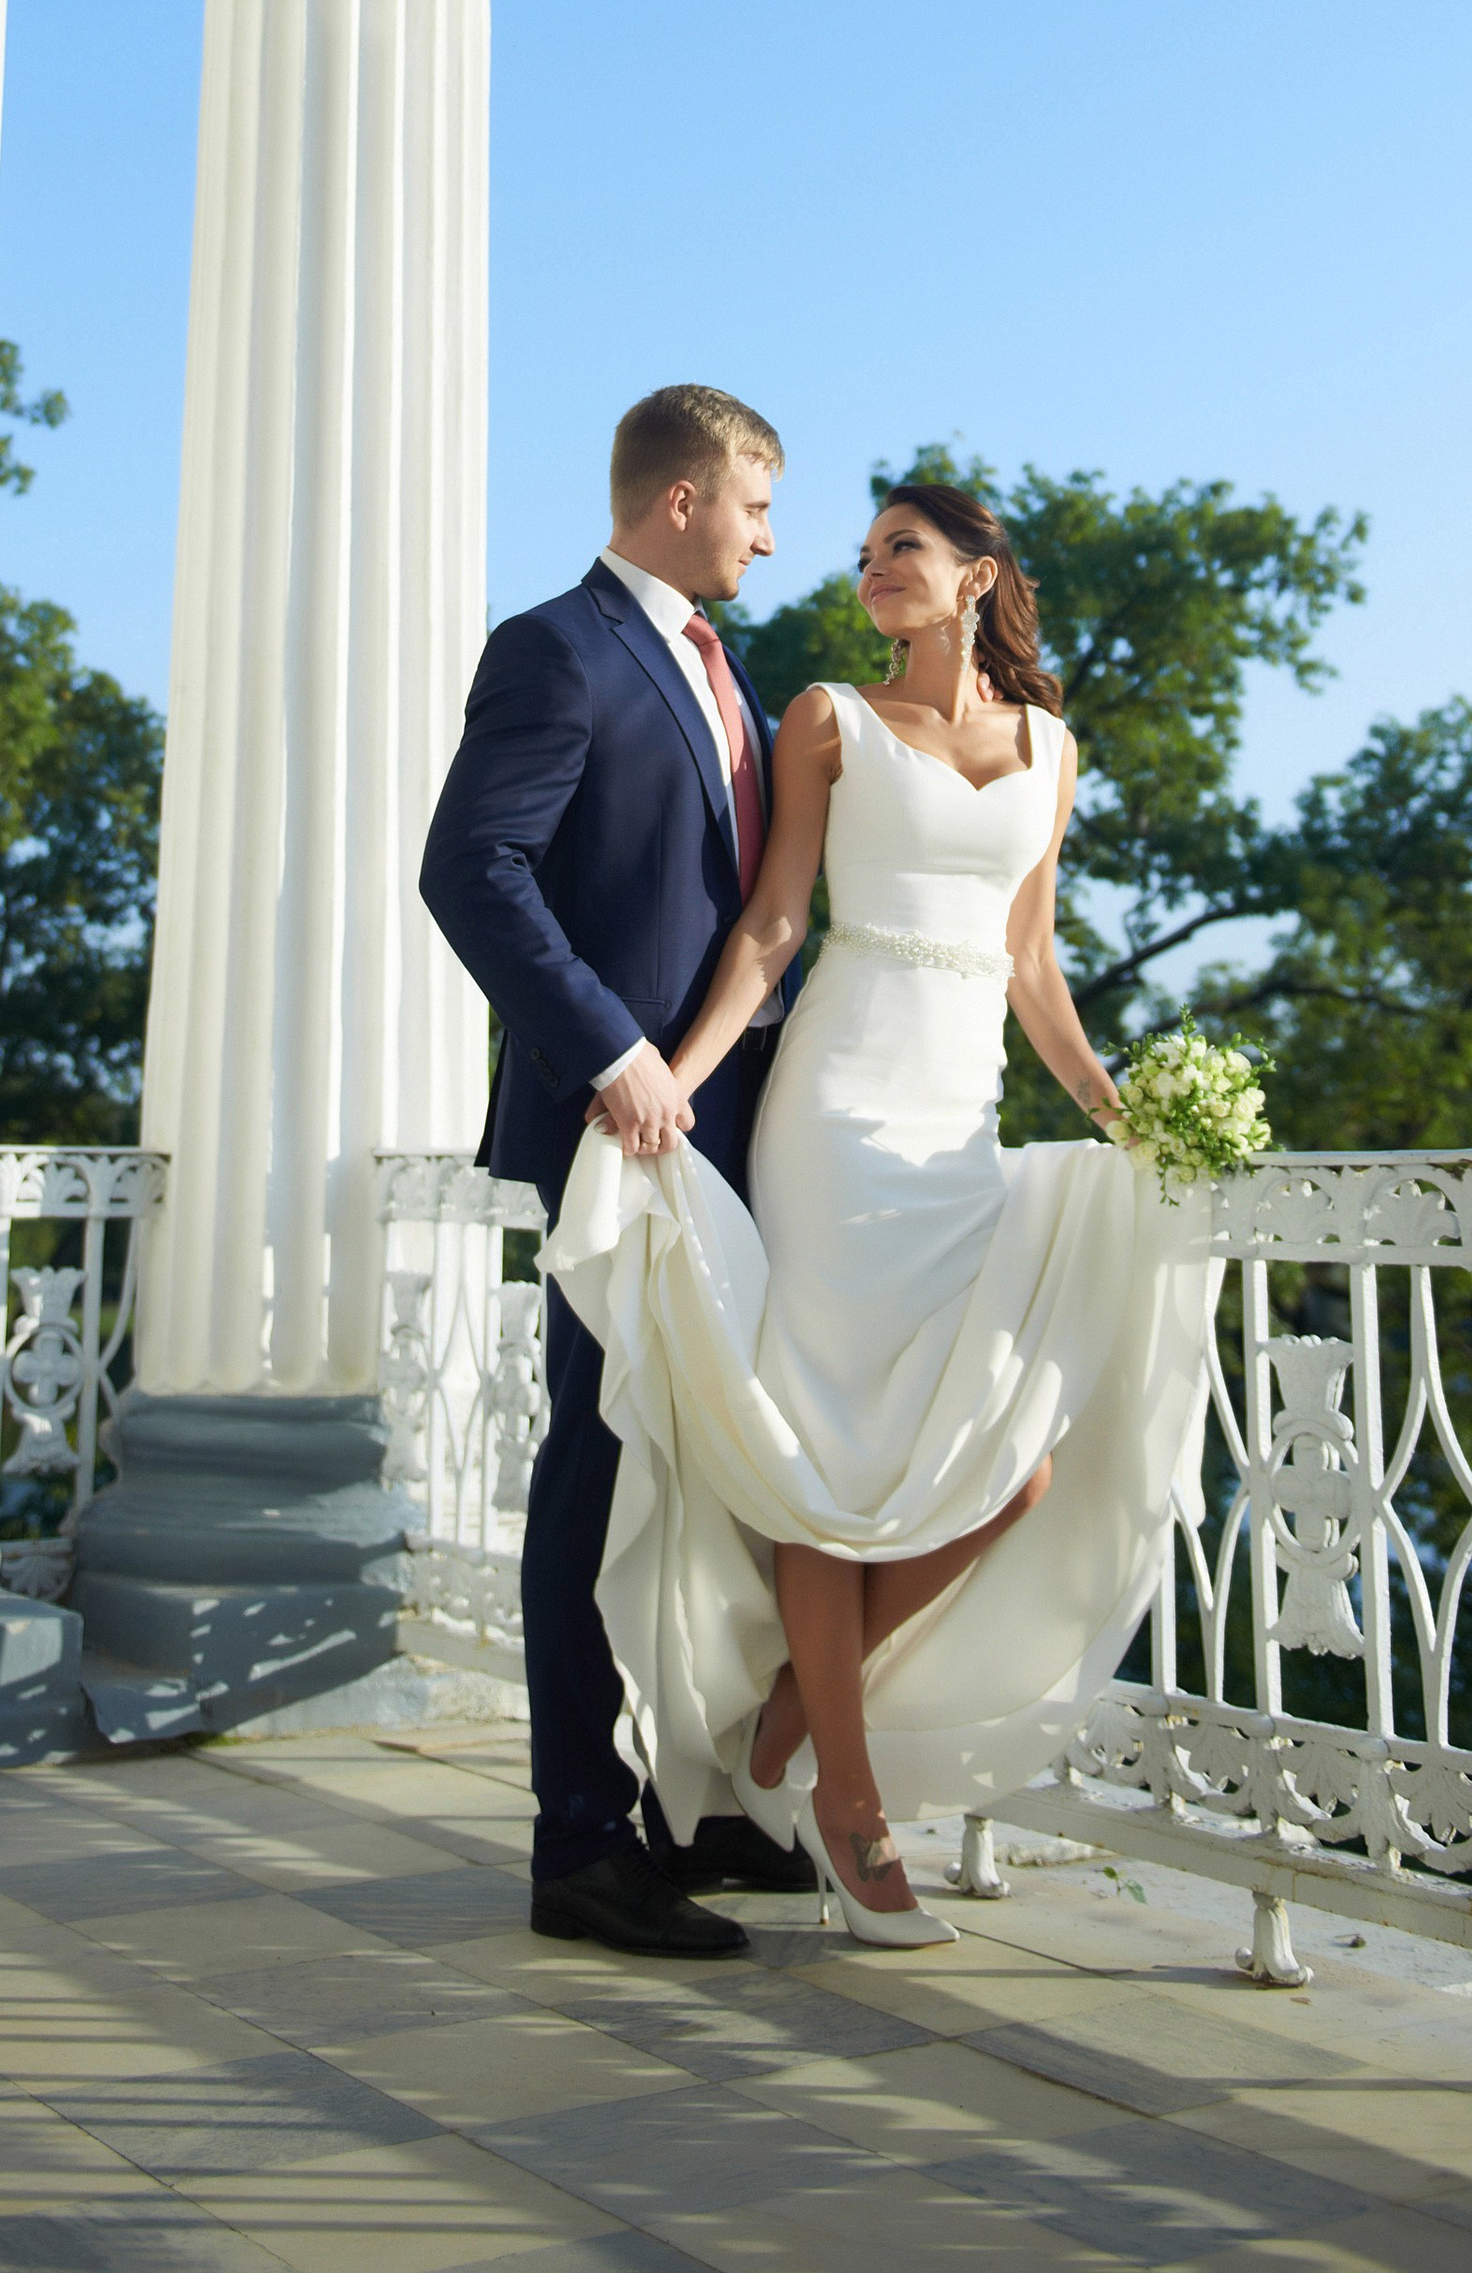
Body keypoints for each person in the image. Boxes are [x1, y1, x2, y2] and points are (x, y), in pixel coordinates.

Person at [544, 478, 1220, 1946]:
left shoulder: (1051, 747)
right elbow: (775, 924)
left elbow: (1032, 962)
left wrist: (1124, 1114)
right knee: (831, 1460)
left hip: (958, 1129)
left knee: (1007, 1468)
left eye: (900, 549)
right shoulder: (829, 719)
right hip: (837, 1116)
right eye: (861, 557)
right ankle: (851, 1815)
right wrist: (671, 1084)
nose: (869, 572)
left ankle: (797, 1707)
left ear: (978, 575)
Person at [419, 383, 815, 1958]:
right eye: (757, 508)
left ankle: (700, 1808)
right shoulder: (556, 649)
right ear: (683, 499)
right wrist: (608, 1051)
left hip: (738, 1132)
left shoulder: (731, 668)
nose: (770, 541)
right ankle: (580, 1843)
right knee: (598, 1469)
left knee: (712, 1470)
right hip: (618, 1133)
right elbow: (473, 867)